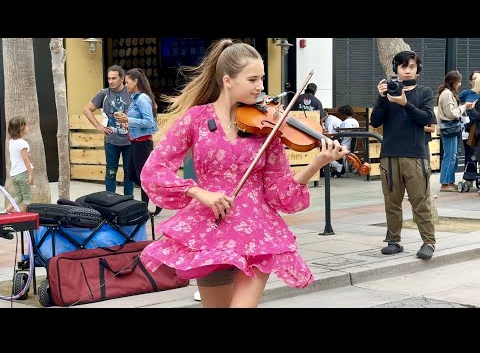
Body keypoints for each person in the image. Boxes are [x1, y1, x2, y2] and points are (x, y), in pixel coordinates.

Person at [138, 39, 348, 308]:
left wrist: (316, 164)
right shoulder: (196, 118)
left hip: (256, 233)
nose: (261, 87)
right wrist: (198, 192)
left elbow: (279, 191)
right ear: (228, 80)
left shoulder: (269, 126)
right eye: (252, 79)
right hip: (209, 230)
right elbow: (154, 170)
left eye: (261, 78)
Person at [371, 50, 437, 260]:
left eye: (412, 67)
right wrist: (382, 98)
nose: (407, 71)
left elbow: (426, 118)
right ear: (396, 70)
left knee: (421, 201)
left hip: (416, 155)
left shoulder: (425, 92)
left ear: (417, 70)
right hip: (389, 155)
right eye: (403, 67)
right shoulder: (388, 93)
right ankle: (393, 241)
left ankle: (428, 242)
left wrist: (404, 103)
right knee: (392, 201)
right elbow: (375, 121)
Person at [83, 65, 134, 196]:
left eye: (114, 78)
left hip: (130, 141)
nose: (111, 81)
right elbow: (87, 109)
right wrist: (98, 126)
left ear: (122, 78)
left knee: (129, 173)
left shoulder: (132, 92)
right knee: (111, 171)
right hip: (111, 140)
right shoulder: (104, 93)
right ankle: (109, 202)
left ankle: (128, 202)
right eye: (109, 78)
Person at [114, 68, 158, 205]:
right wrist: (127, 123)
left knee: (141, 176)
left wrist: (128, 120)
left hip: (143, 143)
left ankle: (148, 203)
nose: (126, 85)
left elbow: (149, 122)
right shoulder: (135, 99)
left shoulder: (142, 99)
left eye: (127, 82)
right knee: (132, 174)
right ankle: (155, 196)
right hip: (135, 142)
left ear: (135, 81)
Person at [437, 70, 474, 192]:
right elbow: (451, 113)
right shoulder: (447, 94)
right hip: (450, 127)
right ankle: (445, 184)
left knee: (453, 155)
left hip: (451, 128)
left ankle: (449, 182)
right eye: (459, 82)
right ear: (453, 82)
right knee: (451, 156)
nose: (460, 85)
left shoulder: (448, 93)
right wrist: (465, 106)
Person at [1, 117, 34, 239]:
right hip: (23, 172)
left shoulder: (12, 142)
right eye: (26, 125)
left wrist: (27, 154)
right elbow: (25, 159)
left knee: (19, 196)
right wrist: (31, 174)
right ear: (21, 128)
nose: (27, 128)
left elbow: (20, 155)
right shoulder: (23, 143)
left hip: (14, 174)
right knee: (27, 198)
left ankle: (5, 211)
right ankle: (27, 221)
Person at [458, 71, 480, 169]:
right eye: (475, 78)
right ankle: (470, 177)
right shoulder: (466, 93)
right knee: (470, 152)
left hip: (478, 125)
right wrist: (465, 107)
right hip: (469, 126)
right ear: (471, 81)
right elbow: (457, 104)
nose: (477, 80)